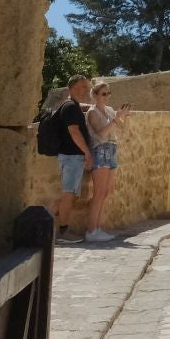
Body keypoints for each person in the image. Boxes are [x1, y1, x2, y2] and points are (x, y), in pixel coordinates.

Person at [47, 76, 94, 243]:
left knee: (70, 193)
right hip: (72, 157)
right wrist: (87, 153)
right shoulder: (70, 108)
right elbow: (74, 131)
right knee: (69, 194)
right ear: (72, 88)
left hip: (71, 157)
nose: (86, 90)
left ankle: (49, 218)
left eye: (87, 87)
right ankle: (63, 233)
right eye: (83, 87)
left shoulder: (71, 106)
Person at [85, 82, 131, 241]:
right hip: (100, 150)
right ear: (95, 95)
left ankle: (98, 228)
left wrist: (122, 117)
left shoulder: (110, 111)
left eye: (108, 93)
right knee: (99, 193)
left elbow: (123, 129)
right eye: (104, 94)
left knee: (106, 192)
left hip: (111, 150)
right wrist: (116, 120)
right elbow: (102, 133)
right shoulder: (92, 113)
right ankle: (91, 231)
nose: (107, 96)